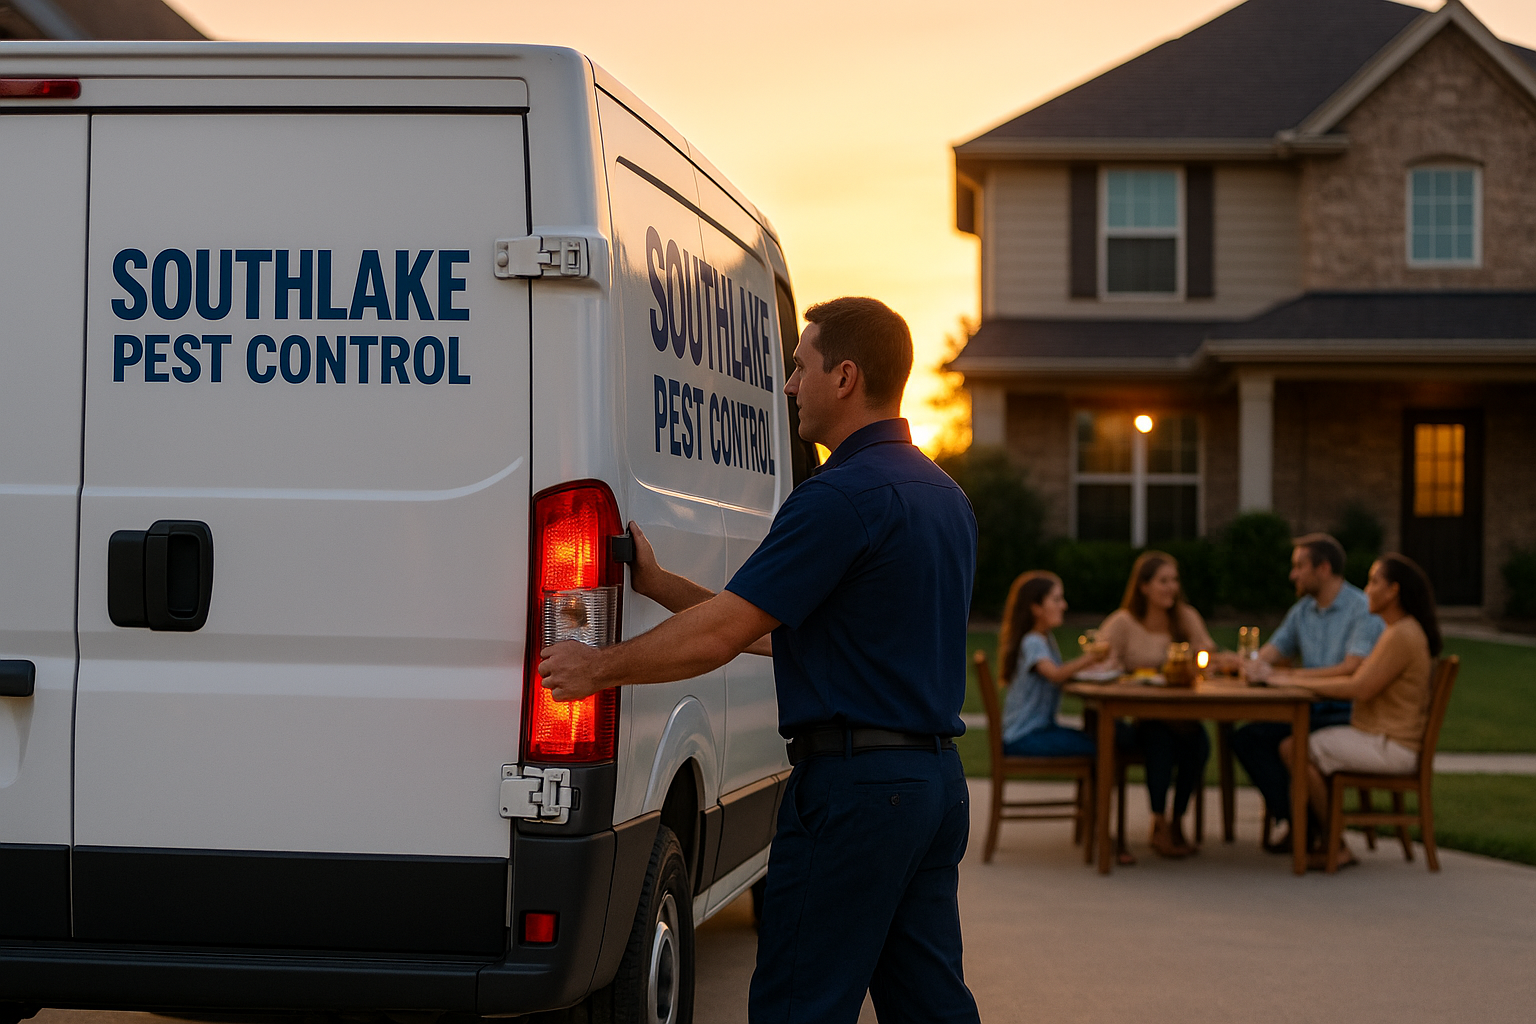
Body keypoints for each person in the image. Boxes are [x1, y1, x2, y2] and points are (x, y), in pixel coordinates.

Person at [540, 296, 981, 1024]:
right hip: (933, 789)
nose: (789, 385)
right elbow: (788, 632)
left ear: (845, 377)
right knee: (929, 1005)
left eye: (801, 366)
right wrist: (660, 586)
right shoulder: (945, 498)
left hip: (857, 795)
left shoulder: (837, 499)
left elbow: (721, 636)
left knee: (798, 1005)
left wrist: (597, 667)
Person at [1268, 553, 1439, 868]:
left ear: (1393, 591)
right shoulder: (1397, 631)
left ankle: (1334, 843)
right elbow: (1359, 681)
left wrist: (1291, 680)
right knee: (1297, 745)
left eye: (1374, 582)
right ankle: (1324, 837)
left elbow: (1359, 687)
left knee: (1294, 749)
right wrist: (1292, 679)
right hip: (1380, 737)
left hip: (1391, 744)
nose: (1367, 590)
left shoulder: (1401, 634)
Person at [1231, 534, 1385, 852]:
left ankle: (1309, 829)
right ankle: (1302, 824)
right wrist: (1248, 664)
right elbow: (1269, 653)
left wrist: (1287, 677)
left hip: (1347, 711)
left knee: (1287, 744)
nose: (1293, 575)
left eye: (1299, 566)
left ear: (1323, 568)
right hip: (1310, 710)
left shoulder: (1361, 609)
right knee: (1248, 738)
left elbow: (1352, 669)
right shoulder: (1303, 611)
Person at [1098, 551, 1231, 859]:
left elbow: (1208, 655)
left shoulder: (1186, 617)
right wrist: (1115, 667)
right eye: (1163, 581)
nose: (1172, 587)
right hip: (1144, 717)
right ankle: (1159, 822)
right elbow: (1102, 662)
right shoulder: (1123, 622)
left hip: (1184, 716)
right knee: (1160, 742)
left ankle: (1177, 820)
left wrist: (1210, 661)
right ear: (1144, 586)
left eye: (1174, 580)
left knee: (1198, 744)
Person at [997, 570, 1112, 758]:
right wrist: (1091, 658)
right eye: (1056, 600)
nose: (1064, 605)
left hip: (1038, 730)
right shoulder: (1033, 641)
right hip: (1024, 735)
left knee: (1099, 739)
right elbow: (1055, 674)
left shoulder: (1045, 638)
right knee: (1101, 746)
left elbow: (1058, 673)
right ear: (1036, 608)